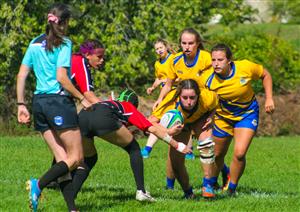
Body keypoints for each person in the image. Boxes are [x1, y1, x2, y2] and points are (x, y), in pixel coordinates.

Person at [16, 3, 91, 212]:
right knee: (76, 158)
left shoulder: (33, 43)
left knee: (62, 159)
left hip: (38, 103)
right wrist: (81, 98)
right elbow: (62, 78)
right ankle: (38, 185)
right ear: (64, 23)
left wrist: (21, 104)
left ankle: (72, 209)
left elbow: (21, 75)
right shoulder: (64, 43)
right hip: (58, 103)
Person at [75, 89, 191, 202]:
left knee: (87, 159)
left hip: (82, 119)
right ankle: (141, 191)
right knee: (134, 148)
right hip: (101, 122)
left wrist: (169, 132)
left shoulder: (111, 104)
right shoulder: (128, 108)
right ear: (134, 105)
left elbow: (150, 125)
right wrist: (177, 145)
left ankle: (69, 190)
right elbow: (152, 128)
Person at [207, 43, 275, 195]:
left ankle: (231, 189)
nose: (216, 64)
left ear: (229, 60)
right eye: (213, 60)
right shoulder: (208, 79)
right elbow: (206, 102)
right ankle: (214, 181)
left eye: (220, 60)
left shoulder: (245, 67)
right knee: (217, 155)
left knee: (239, 153)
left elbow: (266, 75)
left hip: (247, 114)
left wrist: (269, 98)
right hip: (222, 118)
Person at [141, 27, 212, 161]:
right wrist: (160, 99)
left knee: (210, 148)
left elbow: (216, 83)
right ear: (180, 44)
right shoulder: (175, 60)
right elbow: (168, 84)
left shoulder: (206, 58)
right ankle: (151, 147)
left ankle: (217, 174)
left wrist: (213, 112)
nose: (187, 47)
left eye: (190, 43)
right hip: (179, 99)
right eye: (184, 43)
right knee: (149, 122)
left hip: (202, 102)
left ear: (197, 43)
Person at [150, 79, 219, 198]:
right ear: (179, 96)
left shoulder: (207, 97)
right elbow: (150, 123)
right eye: (185, 97)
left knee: (207, 145)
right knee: (176, 163)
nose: (189, 102)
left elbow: (216, 101)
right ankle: (188, 193)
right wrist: (168, 131)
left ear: (198, 95)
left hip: (200, 118)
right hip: (182, 125)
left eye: (192, 97)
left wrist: (212, 116)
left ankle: (207, 185)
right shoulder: (170, 103)